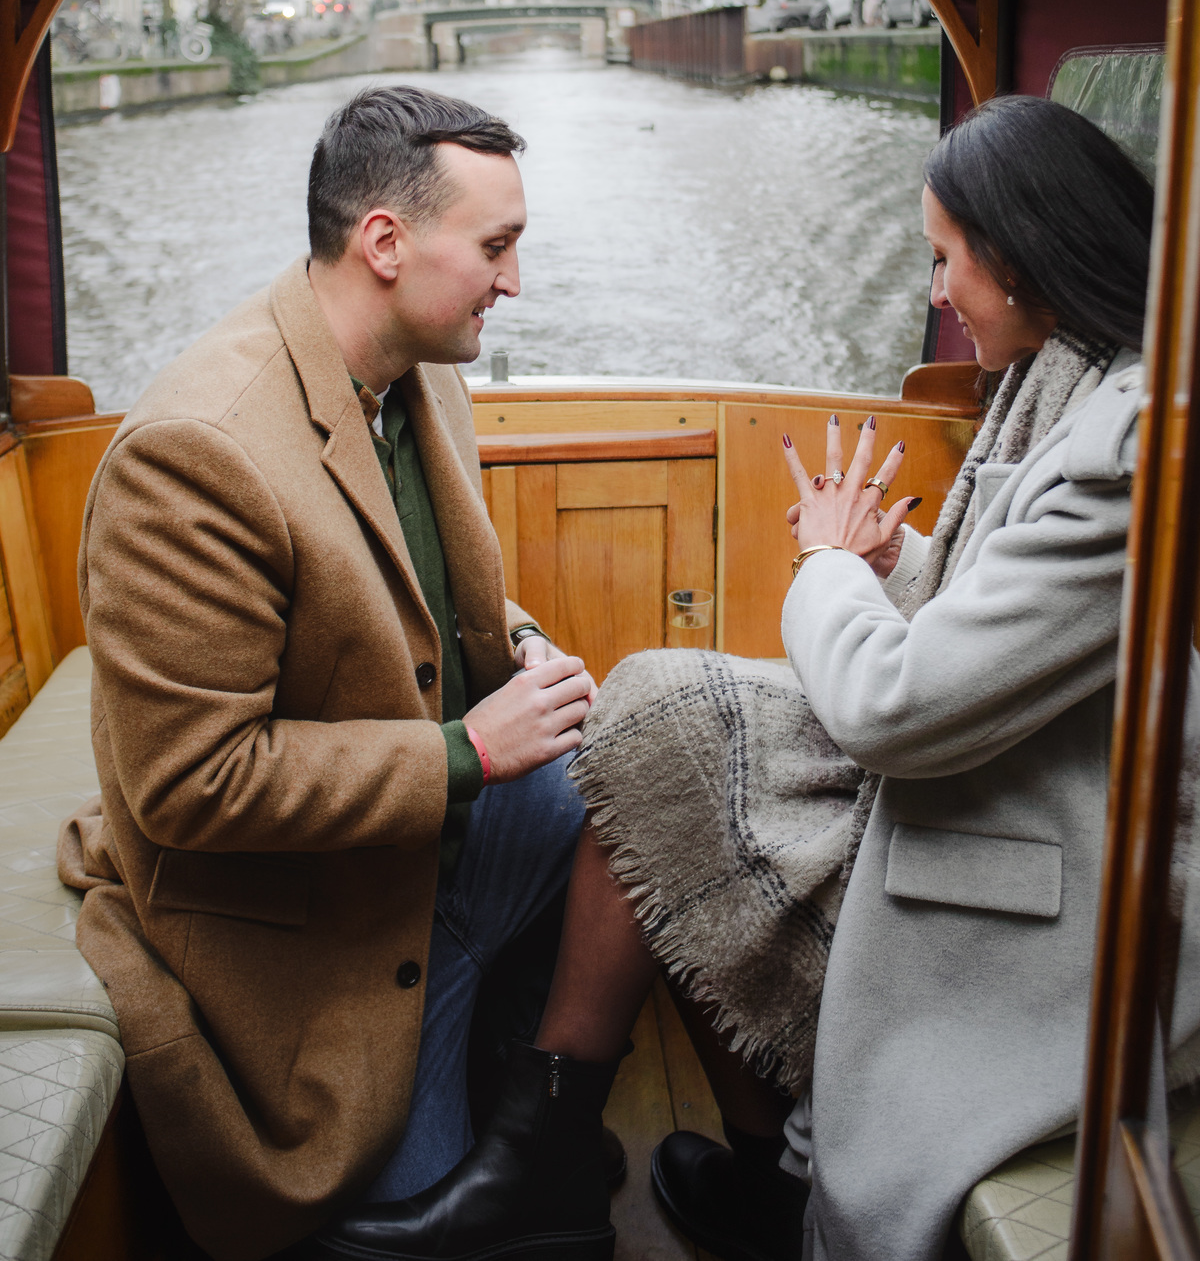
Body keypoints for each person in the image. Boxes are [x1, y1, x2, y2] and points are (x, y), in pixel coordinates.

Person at [324, 94, 1200, 1261]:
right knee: (660, 740)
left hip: (1065, 876)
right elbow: (1020, 624)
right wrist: (893, 562)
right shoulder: (1077, 387)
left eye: (946, 258)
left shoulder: (1123, 448)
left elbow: (896, 708)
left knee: (663, 766)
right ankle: (667, 1164)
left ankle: (588, 1162)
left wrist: (830, 561)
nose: (940, 291)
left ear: (1024, 255)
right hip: (1022, 785)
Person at [57, 85, 598, 1261]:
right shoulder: (198, 454)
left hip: (421, 849)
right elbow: (190, 782)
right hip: (318, 928)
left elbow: (428, 590)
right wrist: (471, 748)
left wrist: (521, 649)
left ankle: (540, 1112)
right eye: (497, 247)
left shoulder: (419, 369)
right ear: (386, 244)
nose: (515, 282)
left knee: (654, 763)